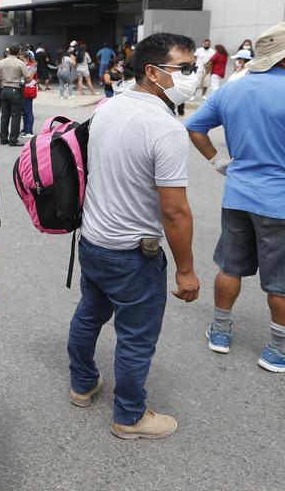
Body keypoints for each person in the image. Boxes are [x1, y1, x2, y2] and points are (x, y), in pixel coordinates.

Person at [186, 21, 285, 373]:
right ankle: (279, 350)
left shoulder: (231, 90)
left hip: (238, 195)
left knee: (231, 266)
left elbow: (194, 127)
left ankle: (220, 331)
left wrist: (217, 161)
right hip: (284, 201)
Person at [68, 33, 200, 440]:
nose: (193, 77)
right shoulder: (165, 127)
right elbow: (174, 210)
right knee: (137, 337)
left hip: (93, 240)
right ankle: (129, 415)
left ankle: (82, 384)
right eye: (185, 69)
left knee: (89, 313)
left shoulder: (108, 107)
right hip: (132, 253)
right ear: (153, 72)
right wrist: (187, 271)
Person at [0, 45, 28, 146]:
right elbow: (28, 78)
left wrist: (1, 80)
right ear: (18, 52)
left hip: (4, 90)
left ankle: (3, 139)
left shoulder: (2, 62)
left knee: (4, 115)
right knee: (15, 116)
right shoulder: (20, 63)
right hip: (15, 90)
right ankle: (13, 139)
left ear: (8, 51)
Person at [21, 53, 38, 138]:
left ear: (26, 58)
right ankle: (25, 129)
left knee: (28, 111)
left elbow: (29, 78)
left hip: (28, 91)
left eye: (22, 59)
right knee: (24, 112)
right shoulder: (27, 66)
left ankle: (29, 131)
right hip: (24, 91)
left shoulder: (32, 67)